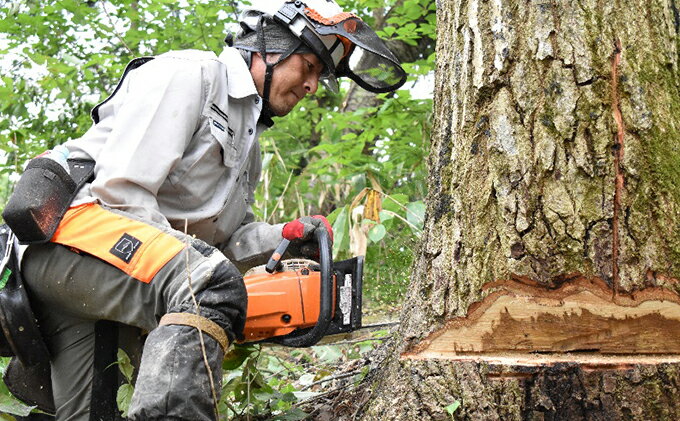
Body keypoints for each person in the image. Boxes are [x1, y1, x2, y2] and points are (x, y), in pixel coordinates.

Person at [16, 0, 406, 420]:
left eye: (320, 77)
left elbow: (222, 239)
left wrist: (285, 239)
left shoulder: (249, 140)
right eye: (309, 66)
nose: (312, 86)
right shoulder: (191, 74)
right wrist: (200, 281)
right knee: (207, 283)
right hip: (70, 241)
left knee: (94, 412)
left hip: (106, 274)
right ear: (268, 47)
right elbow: (122, 193)